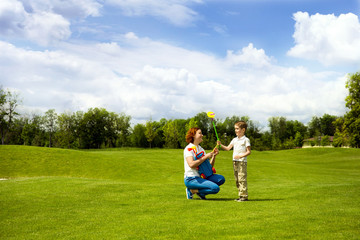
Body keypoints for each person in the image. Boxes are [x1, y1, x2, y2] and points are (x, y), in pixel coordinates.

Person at [184, 127, 225, 200]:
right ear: (193, 135)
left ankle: (201, 193)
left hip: (201, 177)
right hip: (191, 178)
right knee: (215, 188)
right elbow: (191, 165)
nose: (202, 135)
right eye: (200, 133)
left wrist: (214, 156)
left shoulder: (200, 149)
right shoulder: (188, 149)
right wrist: (205, 157)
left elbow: (209, 167)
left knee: (221, 179)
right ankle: (191, 190)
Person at [218, 121, 251, 202]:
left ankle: (244, 196)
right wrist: (220, 144)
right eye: (235, 129)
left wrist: (240, 156)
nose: (235, 130)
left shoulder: (246, 140)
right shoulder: (234, 140)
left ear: (243, 130)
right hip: (235, 162)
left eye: (237, 129)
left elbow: (248, 151)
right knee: (237, 179)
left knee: (242, 178)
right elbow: (228, 148)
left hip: (242, 162)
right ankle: (240, 195)